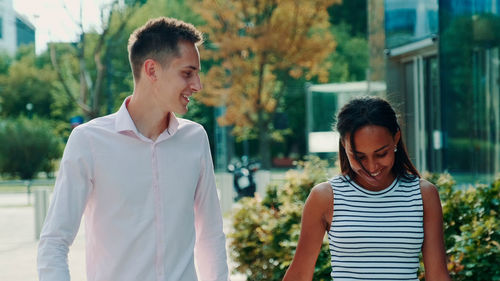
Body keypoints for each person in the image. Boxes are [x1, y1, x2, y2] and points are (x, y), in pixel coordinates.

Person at [38, 17, 230, 281]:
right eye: (187, 73)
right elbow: (54, 241)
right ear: (151, 70)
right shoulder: (89, 141)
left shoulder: (195, 138)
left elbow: (210, 235)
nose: (198, 85)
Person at [283, 96, 451, 281]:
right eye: (359, 157)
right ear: (344, 145)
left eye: (381, 154)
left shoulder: (423, 195)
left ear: (396, 139)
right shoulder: (325, 197)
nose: (371, 168)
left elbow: (438, 276)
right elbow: (299, 274)